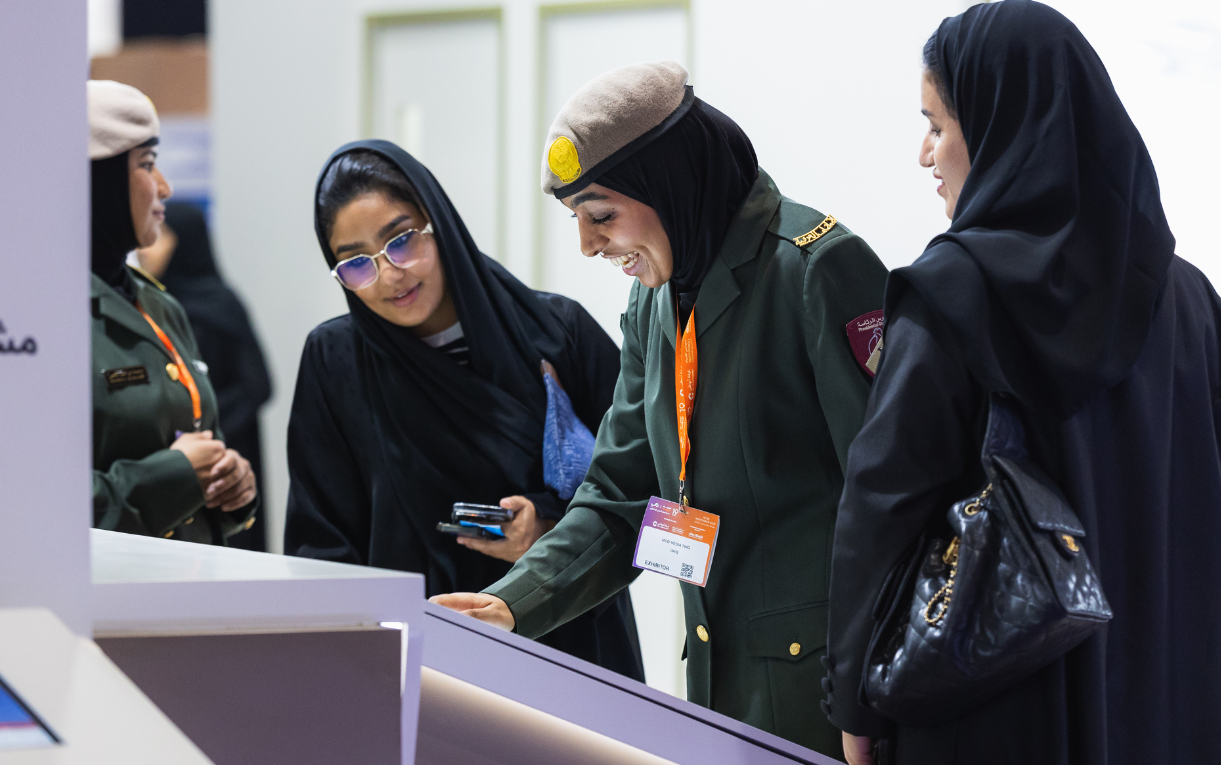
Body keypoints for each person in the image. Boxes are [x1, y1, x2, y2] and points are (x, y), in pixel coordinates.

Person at [433, 62, 889, 757]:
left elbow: (893, 505)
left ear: (670, 181)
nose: (588, 244)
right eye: (576, 221)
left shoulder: (814, 268)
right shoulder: (656, 298)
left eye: (600, 215)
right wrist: (511, 602)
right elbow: (620, 497)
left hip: (834, 702)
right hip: (718, 687)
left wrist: (867, 699)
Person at [823, 2, 1221, 763]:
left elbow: (880, 511)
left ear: (1004, 127)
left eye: (936, 125)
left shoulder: (950, 294)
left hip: (992, 705)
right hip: (1166, 702)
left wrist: (854, 705)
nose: (924, 154)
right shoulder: (1190, 300)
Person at [283, 140, 644, 680]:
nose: (389, 275)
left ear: (439, 225)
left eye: (402, 241)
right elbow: (321, 545)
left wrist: (546, 525)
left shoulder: (557, 332)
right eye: (356, 263)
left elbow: (640, 494)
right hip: (414, 659)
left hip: (565, 642)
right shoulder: (335, 360)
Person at [90, 80, 258, 543]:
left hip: (188, 578)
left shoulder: (159, 304)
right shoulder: (37, 319)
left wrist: (231, 486)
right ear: (98, 182)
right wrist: (178, 476)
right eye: (146, 165)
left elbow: (202, 444)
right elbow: (29, 502)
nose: (164, 188)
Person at [136, 201, 273, 551]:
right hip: (175, 462)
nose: (145, 249)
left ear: (186, 242)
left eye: (160, 237)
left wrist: (205, 428)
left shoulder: (221, 304)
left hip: (228, 455)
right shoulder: (148, 308)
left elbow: (258, 385)